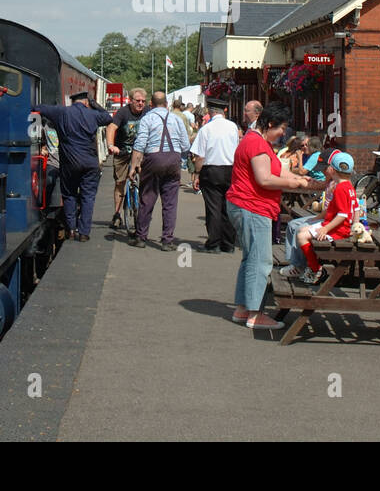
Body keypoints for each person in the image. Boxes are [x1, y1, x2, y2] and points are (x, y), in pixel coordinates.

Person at [226, 103, 310, 330]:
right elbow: (265, 179)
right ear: (270, 124)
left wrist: (295, 177)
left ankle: (243, 309)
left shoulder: (258, 141)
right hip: (253, 206)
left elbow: (276, 171)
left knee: (250, 258)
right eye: (282, 128)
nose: (284, 133)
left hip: (245, 204)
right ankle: (255, 313)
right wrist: (293, 182)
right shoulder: (257, 144)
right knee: (261, 260)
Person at [34, 91, 113, 242]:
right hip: (90, 163)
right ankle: (84, 232)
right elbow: (108, 118)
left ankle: (71, 229)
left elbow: (39, 108)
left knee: (69, 194)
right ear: (86, 102)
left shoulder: (62, 112)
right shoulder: (93, 114)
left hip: (69, 163)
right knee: (88, 197)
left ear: (73, 101)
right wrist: (95, 104)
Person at [280, 151, 360, 284]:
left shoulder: (340, 188)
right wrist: (355, 225)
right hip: (340, 226)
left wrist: (325, 229)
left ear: (331, 169)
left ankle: (315, 269)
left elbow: (342, 214)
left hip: (337, 229)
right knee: (301, 230)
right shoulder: (349, 187)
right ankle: (307, 267)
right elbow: (355, 208)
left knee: (301, 234)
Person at [129, 91, 192, 249]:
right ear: (166, 104)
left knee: (147, 198)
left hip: (153, 159)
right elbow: (185, 145)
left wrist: (133, 166)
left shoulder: (147, 119)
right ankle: (167, 240)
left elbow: (140, 144)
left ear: (151, 104)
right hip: (173, 159)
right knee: (170, 202)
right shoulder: (176, 119)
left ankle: (141, 237)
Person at [190, 96, 240, 253]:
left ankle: (214, 243)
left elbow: (200, 156)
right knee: (228, 208)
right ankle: (229, 243)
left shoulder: (206, 129)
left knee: (213, 208)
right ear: (224, 111)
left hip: (211, 170)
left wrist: (197, 174)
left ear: (210, 112)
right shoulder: (233, 127)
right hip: (230, 170)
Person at [105, 88, 147, 232]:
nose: (140, 103)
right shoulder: (123, 112)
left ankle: (142, 211)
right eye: (137, 101)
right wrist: (111, 145)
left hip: (141, 152)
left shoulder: (147, 112)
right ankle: (117, 214)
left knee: (146, 180)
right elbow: (111, 128)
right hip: (122, 151)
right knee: (120, 182)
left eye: (143, 101)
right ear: (131, 101)